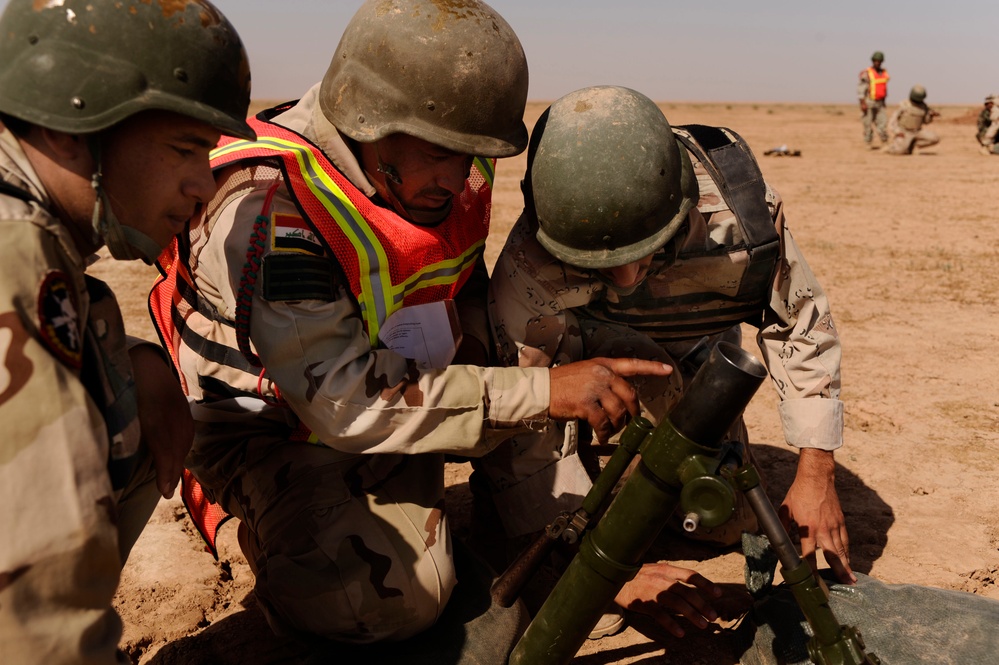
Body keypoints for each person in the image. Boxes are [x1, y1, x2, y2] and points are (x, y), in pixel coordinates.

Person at [149, 0, 674, 650]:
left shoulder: (451, 158)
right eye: (439, 154)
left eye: (471, 155)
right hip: (284, 425)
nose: (456, 179)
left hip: (408, 376)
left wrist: (524, 381)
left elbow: (467, 287)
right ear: (367, 119)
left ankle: (480, 508)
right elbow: (344, 401)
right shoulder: (267, 208)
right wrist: (539, 393)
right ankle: (239, 516)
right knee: (390, 596)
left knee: (548, 355)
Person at [485, 86, 856, 629]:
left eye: (643, 252)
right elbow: (523, 397)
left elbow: (800, 326)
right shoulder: (531, 257)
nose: (627, 279)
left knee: (721, 524)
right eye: (598, 265)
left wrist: (816, 473)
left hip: (694, 362)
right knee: (570, 533)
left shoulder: (743, 218)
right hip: (591, 372)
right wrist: (604, 566)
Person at [0, 1, 254, 664]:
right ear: (69, 133)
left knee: (116, 377)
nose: (204, 186)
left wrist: (133, 353)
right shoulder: (14, 255)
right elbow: (30, 591)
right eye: (183, 150)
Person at [885, 85, 940, 155]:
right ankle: (891, 148)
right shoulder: (904, 105)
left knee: (934, 138)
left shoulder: (924, 106)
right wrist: (897, 131)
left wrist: (931, 116)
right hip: (904, 131)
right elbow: (893, 120)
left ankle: (914, 144)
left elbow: (926, 121)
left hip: (917, 131)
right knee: (900, 152)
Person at [858, 51, 890, 149]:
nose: (877, 63)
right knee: (867, 123)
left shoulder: (884, 73)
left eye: (879, 61)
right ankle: (868, 142)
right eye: (876, 61)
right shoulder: (867, 73)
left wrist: (884, 102)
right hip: (869, 101)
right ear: (873, 61)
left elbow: (883, 88)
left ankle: (885, 142)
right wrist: (863, 103)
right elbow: (861, 89)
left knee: (882, 123)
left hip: (880, 102)